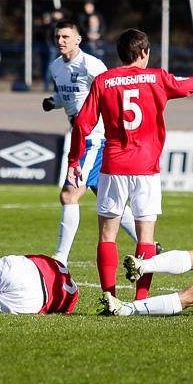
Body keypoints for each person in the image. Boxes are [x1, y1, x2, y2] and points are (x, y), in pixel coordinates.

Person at [67, 29, 193, 301]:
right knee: (145, 236)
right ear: (144, 52)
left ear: (120, 54)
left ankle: (108, 297)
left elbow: (83, 124)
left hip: (113, 166)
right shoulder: (158, 78)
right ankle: (141, 300)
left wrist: (74, 159)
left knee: (107, 235)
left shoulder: (103, 80)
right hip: (146, 169)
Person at [41, 19, 141, 266]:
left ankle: (60, 259)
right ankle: (148, 243)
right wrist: (54, 102)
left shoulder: (91, 65)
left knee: (69, 195)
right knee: (106, 198)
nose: (61, 41)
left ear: (78, 39)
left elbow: (111, 91)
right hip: (80, 137)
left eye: (66, 37)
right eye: (58, 37)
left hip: (94, 138)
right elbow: (70, 96)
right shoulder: (56, 66)